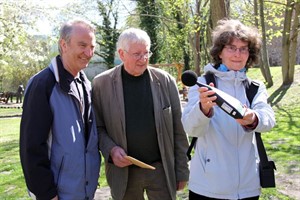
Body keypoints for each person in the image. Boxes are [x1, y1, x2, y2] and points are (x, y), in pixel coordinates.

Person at [182, 19, 276, 200]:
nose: (237, 54)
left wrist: (253, 118)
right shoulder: (201, 84)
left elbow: (268, 119)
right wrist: (203, 110)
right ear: (220, 52)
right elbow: (191, 128)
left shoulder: (254, 87)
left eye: (243, 49)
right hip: (208, 187)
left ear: (250, 54)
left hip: (248, 187)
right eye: (231, 48)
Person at [92, 28, 189, 200]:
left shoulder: (165, 81)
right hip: (124, 174)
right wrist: (111, 150)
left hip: (160, 169)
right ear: (122, 54)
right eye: (137, 54)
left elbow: (178, 129)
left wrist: (181, 170)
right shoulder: (101, 84)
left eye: (146, 53)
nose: (143, 59)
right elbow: (97, 128)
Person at [20, 19, 101, 200]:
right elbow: (31, 148)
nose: (88, 53)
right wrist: (47, 194)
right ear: (63, 45)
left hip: (84, 192)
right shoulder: (43, 84)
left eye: (92, 46)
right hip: (57, 194)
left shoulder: (85, 84)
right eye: (82, 45)